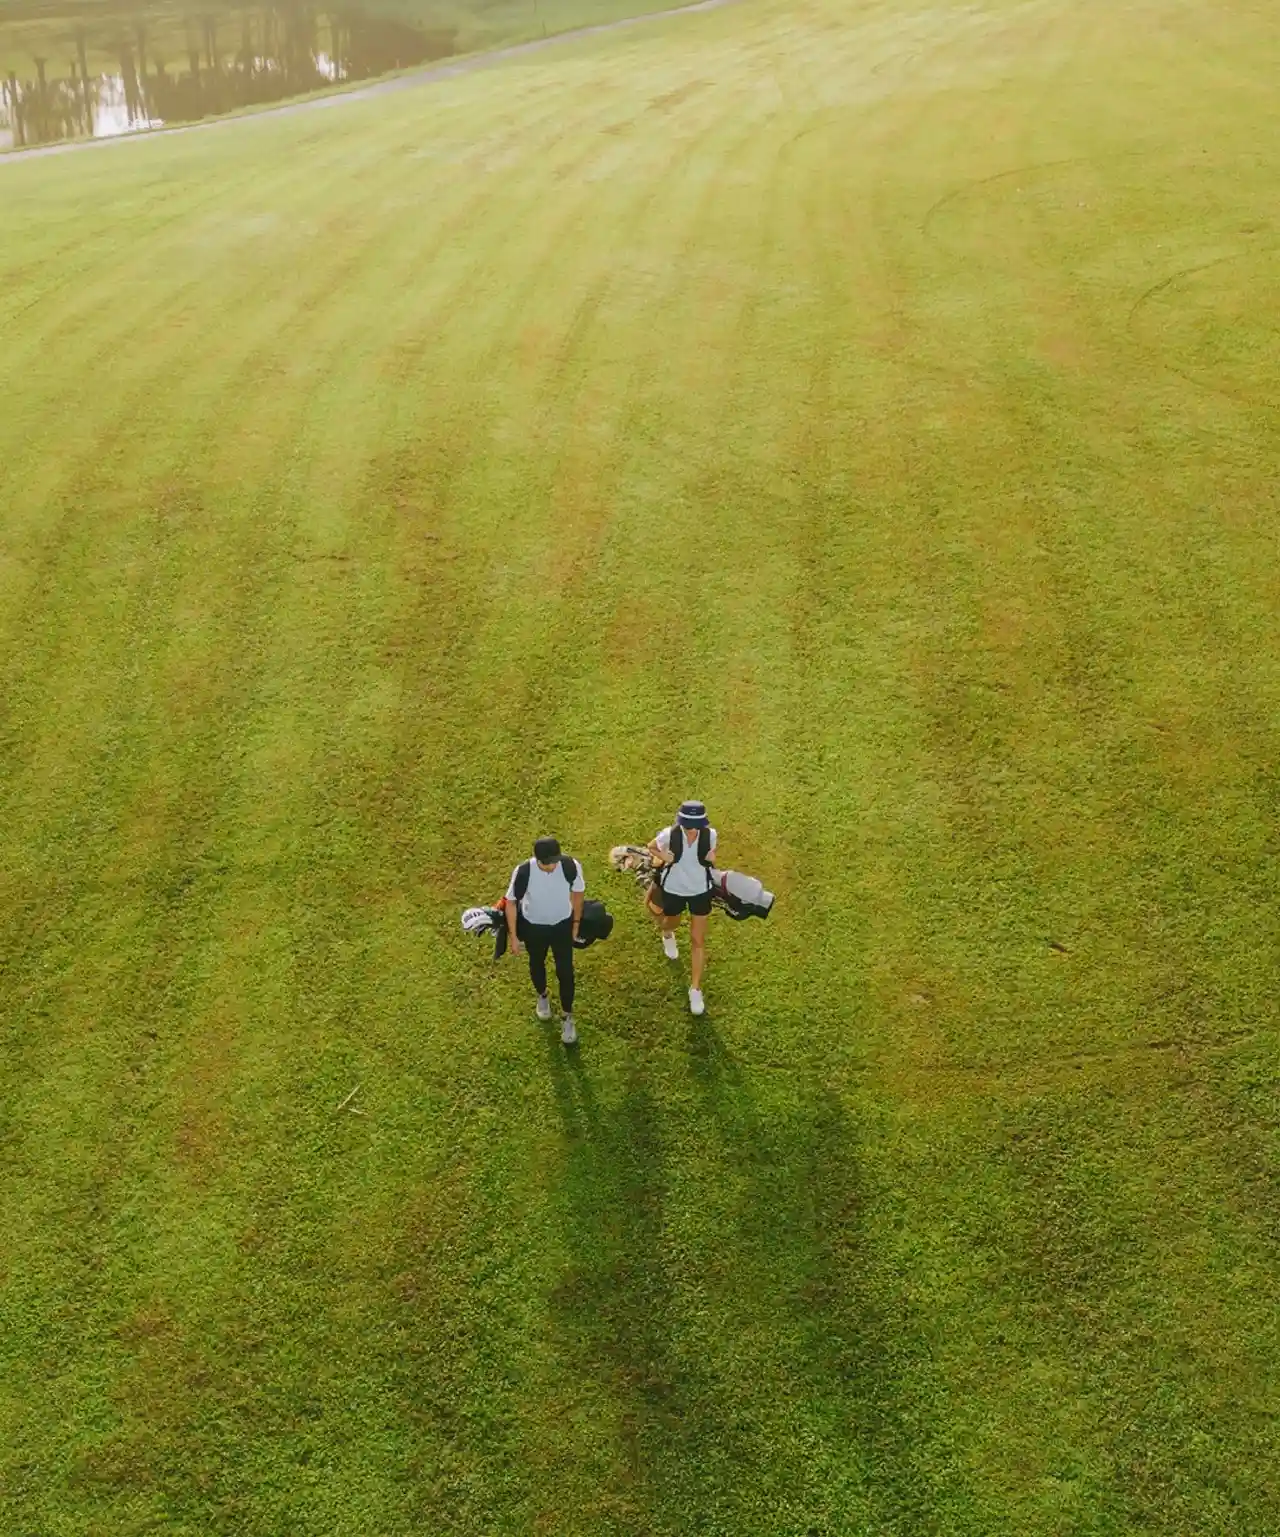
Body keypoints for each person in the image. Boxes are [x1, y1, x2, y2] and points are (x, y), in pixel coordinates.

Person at [505, 836, 585, 1044]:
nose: (552, 866)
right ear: (538, 859)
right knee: (536, 963)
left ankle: (567, 1016)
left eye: (554, 860)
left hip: (562, 926)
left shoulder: (569, 866)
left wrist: (575, 924)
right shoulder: (524, 871)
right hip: (534, 928)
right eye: (548, 863)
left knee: (566, 971)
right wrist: (513, 937)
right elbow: (511, 902)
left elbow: (578, 892)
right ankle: (542, 997)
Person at [648, 800, 716, 1016]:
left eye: (694, 825)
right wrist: (662, 856)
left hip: (700, 891)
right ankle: (667, 933)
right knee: (671, 922)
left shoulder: (711, 835)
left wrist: (711, 857)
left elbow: (709, 858)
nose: (691, 829)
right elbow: (650, 847)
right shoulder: (669, 835)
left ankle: (695, 989)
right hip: (674, 889)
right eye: (688, 825)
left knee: (698, 940)